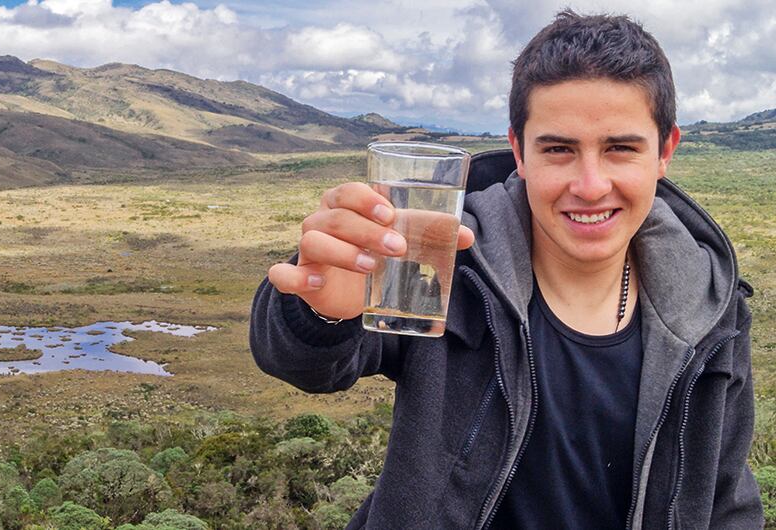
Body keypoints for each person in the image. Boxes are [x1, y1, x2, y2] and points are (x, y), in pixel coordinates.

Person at [250, 9, 763, 529]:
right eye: (559, 149)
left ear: (664, 151)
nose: (589, 185)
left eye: (620, 149)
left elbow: (725, 499)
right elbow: (302, 364)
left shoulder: (713, 305)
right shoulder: (448, 257)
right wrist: (319, 309)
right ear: (519, 150)